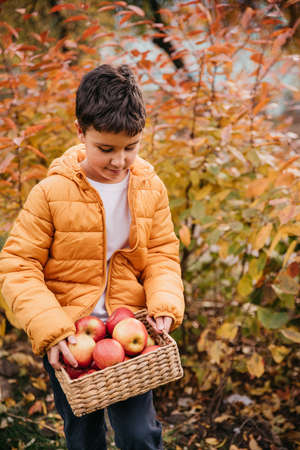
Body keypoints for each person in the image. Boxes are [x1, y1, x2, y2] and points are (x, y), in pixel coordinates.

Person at [0, 64, 184, 450]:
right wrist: (51, 330)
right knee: (84, 437)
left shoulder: (150, 189)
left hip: (129, 331)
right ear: (81, 132)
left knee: (139, 436)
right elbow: (18, 266)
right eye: (106, 149)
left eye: (130, 147)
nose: (119, 161)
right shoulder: (51, 194)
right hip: (68, 338)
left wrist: (163, 302)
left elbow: (163, 254)